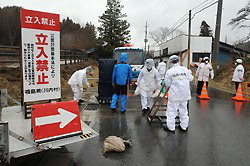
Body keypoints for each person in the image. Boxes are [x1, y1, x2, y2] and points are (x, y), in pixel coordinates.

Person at [163, 55, 193, 132]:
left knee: (171, 111)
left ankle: (171, 127)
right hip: (185, 95)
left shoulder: (169, 72)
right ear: (178, 61)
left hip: (175, 95)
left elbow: (167, 84)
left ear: (170, 62)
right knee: (184, 111)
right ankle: (184, 126)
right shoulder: (185, 69)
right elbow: (191, 78)